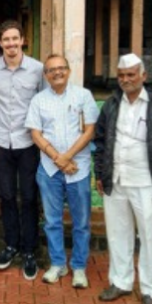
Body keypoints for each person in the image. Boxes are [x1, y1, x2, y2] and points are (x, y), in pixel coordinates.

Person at [93, 53, 152, 304]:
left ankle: (150, 291)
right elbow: (101, 143)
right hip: (117, 182)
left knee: (151, 237)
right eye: (121, 75)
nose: (126, 80)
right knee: (118, 234)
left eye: (131, 74)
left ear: (143, 76)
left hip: (149, 184)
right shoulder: (111, 105)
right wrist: (100, 174)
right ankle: (120, 282)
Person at [25, 54, 99, 288]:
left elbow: (89, 131)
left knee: (82, 222)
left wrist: (67, 157)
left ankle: (79, 267)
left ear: (68, 71)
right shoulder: (38, 100)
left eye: (61, 68)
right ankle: (58, 263)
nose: (56, 73)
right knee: (52, 220)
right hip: (49, 169)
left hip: (79, 168)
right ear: (45, 75)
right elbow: (35, 133)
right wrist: (58, 159)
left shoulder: (83, 95)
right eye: (51, 70)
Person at [0, 20, 45, 280]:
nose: (10, 44)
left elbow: (43, 104)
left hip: (29, 143)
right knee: (7, 196)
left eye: (14, 39)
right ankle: (11, 245)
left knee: (29, 197)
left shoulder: (37, 69)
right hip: (1, 142)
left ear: (23, 39)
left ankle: (29, 250)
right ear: (0, 43)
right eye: (5, 40)